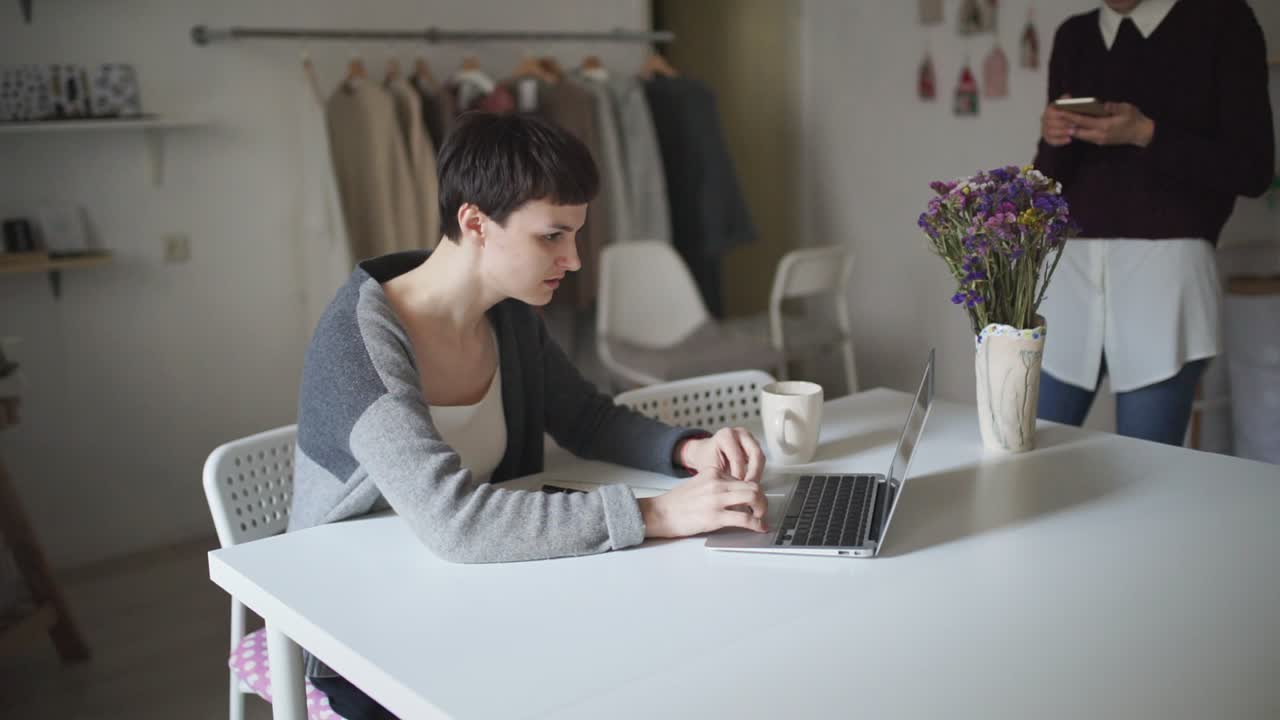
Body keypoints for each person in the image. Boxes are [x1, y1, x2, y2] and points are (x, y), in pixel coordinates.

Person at [287, 111, 771, 718]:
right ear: (475, 222)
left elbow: (585, 418)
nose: (573, 260)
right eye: (552, 236)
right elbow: (455, 522)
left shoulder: (507, 312)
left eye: (575, 236)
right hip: (360, 627)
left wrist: (688, 450)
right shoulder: (360, 346)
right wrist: (660, 513)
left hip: (480, 588)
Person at [1032, 0, 1273, 445]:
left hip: (1165, 276)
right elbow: (1052, 183)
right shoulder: (1075, 35)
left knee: (1147, 466)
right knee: (1027, 452)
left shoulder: (1223, 20)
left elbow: (1254, 170)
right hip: (1068, 271)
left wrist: (1146, 134)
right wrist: (1052, 138)